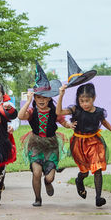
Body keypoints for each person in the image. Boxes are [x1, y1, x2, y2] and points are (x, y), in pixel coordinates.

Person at [56, 83, 111, 207]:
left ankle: (98, 198)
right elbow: (59, 111)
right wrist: (61, 94)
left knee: (97, 169)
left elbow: (104, 122)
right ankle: (79, 180)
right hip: (79, 143)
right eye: (81, 101)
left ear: (94, 98)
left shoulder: (99, 112)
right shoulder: (76, 109)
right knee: (85, 172)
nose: (84, 104)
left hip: (94, 142)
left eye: (87, 101)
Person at [18, 61, 75, 207]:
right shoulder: (31, 112)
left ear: (49, 98)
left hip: (51, 145)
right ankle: (37, 198)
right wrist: (28, 100)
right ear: (35, 98)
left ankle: (47, 182)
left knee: (49, 177)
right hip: (35, 144)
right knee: (36, 172)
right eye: (38, 97)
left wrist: (70, 125)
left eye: (44, 97)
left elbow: (63, 121)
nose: (42, 100)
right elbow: (20, 116)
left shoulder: (54, 112)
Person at [0, 82, 19, 192]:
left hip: (4, 138)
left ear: (2, 94)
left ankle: (0, 183)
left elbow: (15, 119)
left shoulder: (8, 105)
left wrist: (12, 126)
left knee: (2, 161)